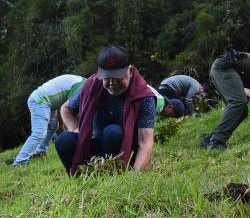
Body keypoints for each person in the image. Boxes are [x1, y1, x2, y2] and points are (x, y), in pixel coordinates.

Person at [55, 45, 156, 175]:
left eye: (117, 77)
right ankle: (80, 177)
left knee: (112, 131)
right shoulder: (91, 86)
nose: (112, 83)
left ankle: (114, 175)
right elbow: (66, 108)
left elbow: (145, 142)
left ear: (130, 71)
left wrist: (135, 176)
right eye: (107, 77)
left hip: (125, 150)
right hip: (96, 144)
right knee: (64, 140)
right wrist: (76, 130)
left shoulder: (144, 96)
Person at [12, 75, 85, 166]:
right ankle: (20, 161)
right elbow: (70, 110)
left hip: (49, 102)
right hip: (40, 100)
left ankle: (40, 151)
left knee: (53, 126)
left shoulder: (82, 82)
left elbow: (64, 106)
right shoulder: (83, 87)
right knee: (39, 132)